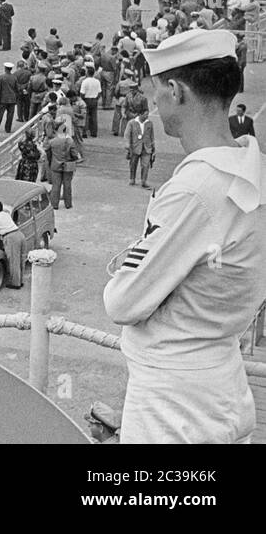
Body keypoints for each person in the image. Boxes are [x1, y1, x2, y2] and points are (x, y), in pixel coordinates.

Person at [103, 29, 266, 444]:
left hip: (173, 402)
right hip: (221, 380)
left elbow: (123, 301)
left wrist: (133, 265)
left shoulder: (197, 187)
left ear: (175, 91)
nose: (155, 103)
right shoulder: (253, 169)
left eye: (157, 90)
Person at [0, 200, 26, 289]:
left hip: (11, 237)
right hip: (19, 234)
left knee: (13, 261)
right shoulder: (6, 214)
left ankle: (15, 284)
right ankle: (20, 281)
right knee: (20, 259)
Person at [46, 121, 79, 210]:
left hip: (55, 165)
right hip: (68, 166)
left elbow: (48, 155)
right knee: (67, 185)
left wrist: (50, 163)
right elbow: (75, 155)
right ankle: (68, 204)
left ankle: (54, 204)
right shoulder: (70, 141)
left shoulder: (52, 142)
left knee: (56, 185)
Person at [123, 107, 156, 188]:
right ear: (140, 114)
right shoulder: (132, 123)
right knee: (133, 163)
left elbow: (152, 136)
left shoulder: (149, 123)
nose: (147, 116)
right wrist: (127, 144)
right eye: (145, 115)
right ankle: (132, 178)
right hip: (135, 147)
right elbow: (127, 134)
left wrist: (153, 148)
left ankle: (144, 180)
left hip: (146, 148)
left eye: (147, 115)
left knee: (145, 165)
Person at [0, 61, 18, 133]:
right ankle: (8, 129)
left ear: (5, 69)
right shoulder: (14, 78)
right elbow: (16, 89)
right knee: (10, 115)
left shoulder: (1, 77)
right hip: (12, 99)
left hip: (3, 99)